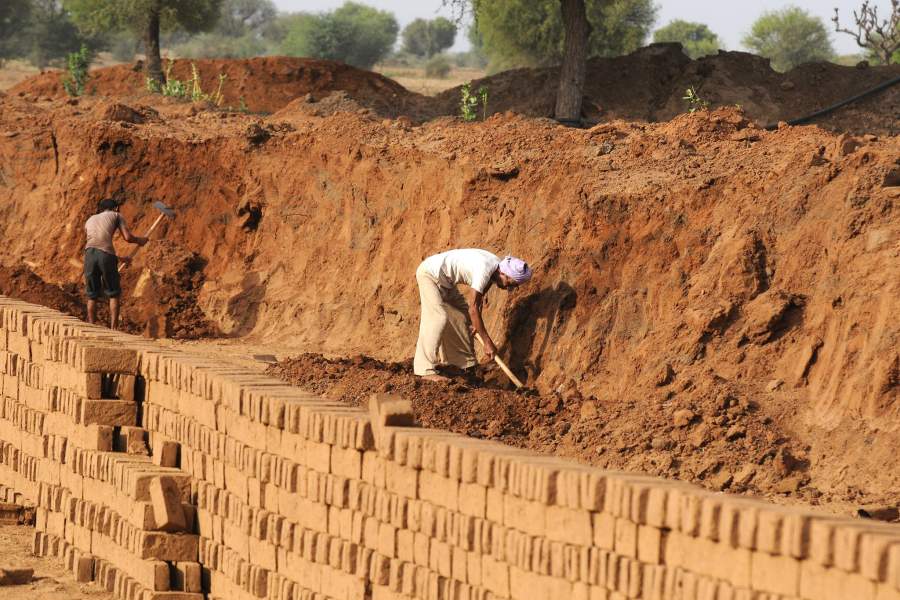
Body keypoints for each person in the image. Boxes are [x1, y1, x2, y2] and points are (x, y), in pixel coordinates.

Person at [414, 248, 533, 382]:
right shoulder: (485, 270)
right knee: (438, 318)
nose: (508, 288)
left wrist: (475, 324)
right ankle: (424, 369)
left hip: (445, 282)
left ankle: (461, 364)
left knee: (463, 318)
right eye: (510, 283)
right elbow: (473, 308)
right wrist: (487, 342)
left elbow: (478, 302)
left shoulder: (494, 270)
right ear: (503, 273)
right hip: (430, 275)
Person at [83, 198, 147, 329]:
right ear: (116, 208)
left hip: (89, 255)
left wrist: (118, 259)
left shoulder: (90, 220)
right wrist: (140, 240)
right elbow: (128, 238)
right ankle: (114, 329)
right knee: (113, 293)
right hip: (105, 255)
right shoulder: (116, 215)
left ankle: (90, 326)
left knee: (92, 295)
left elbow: (96, 246)